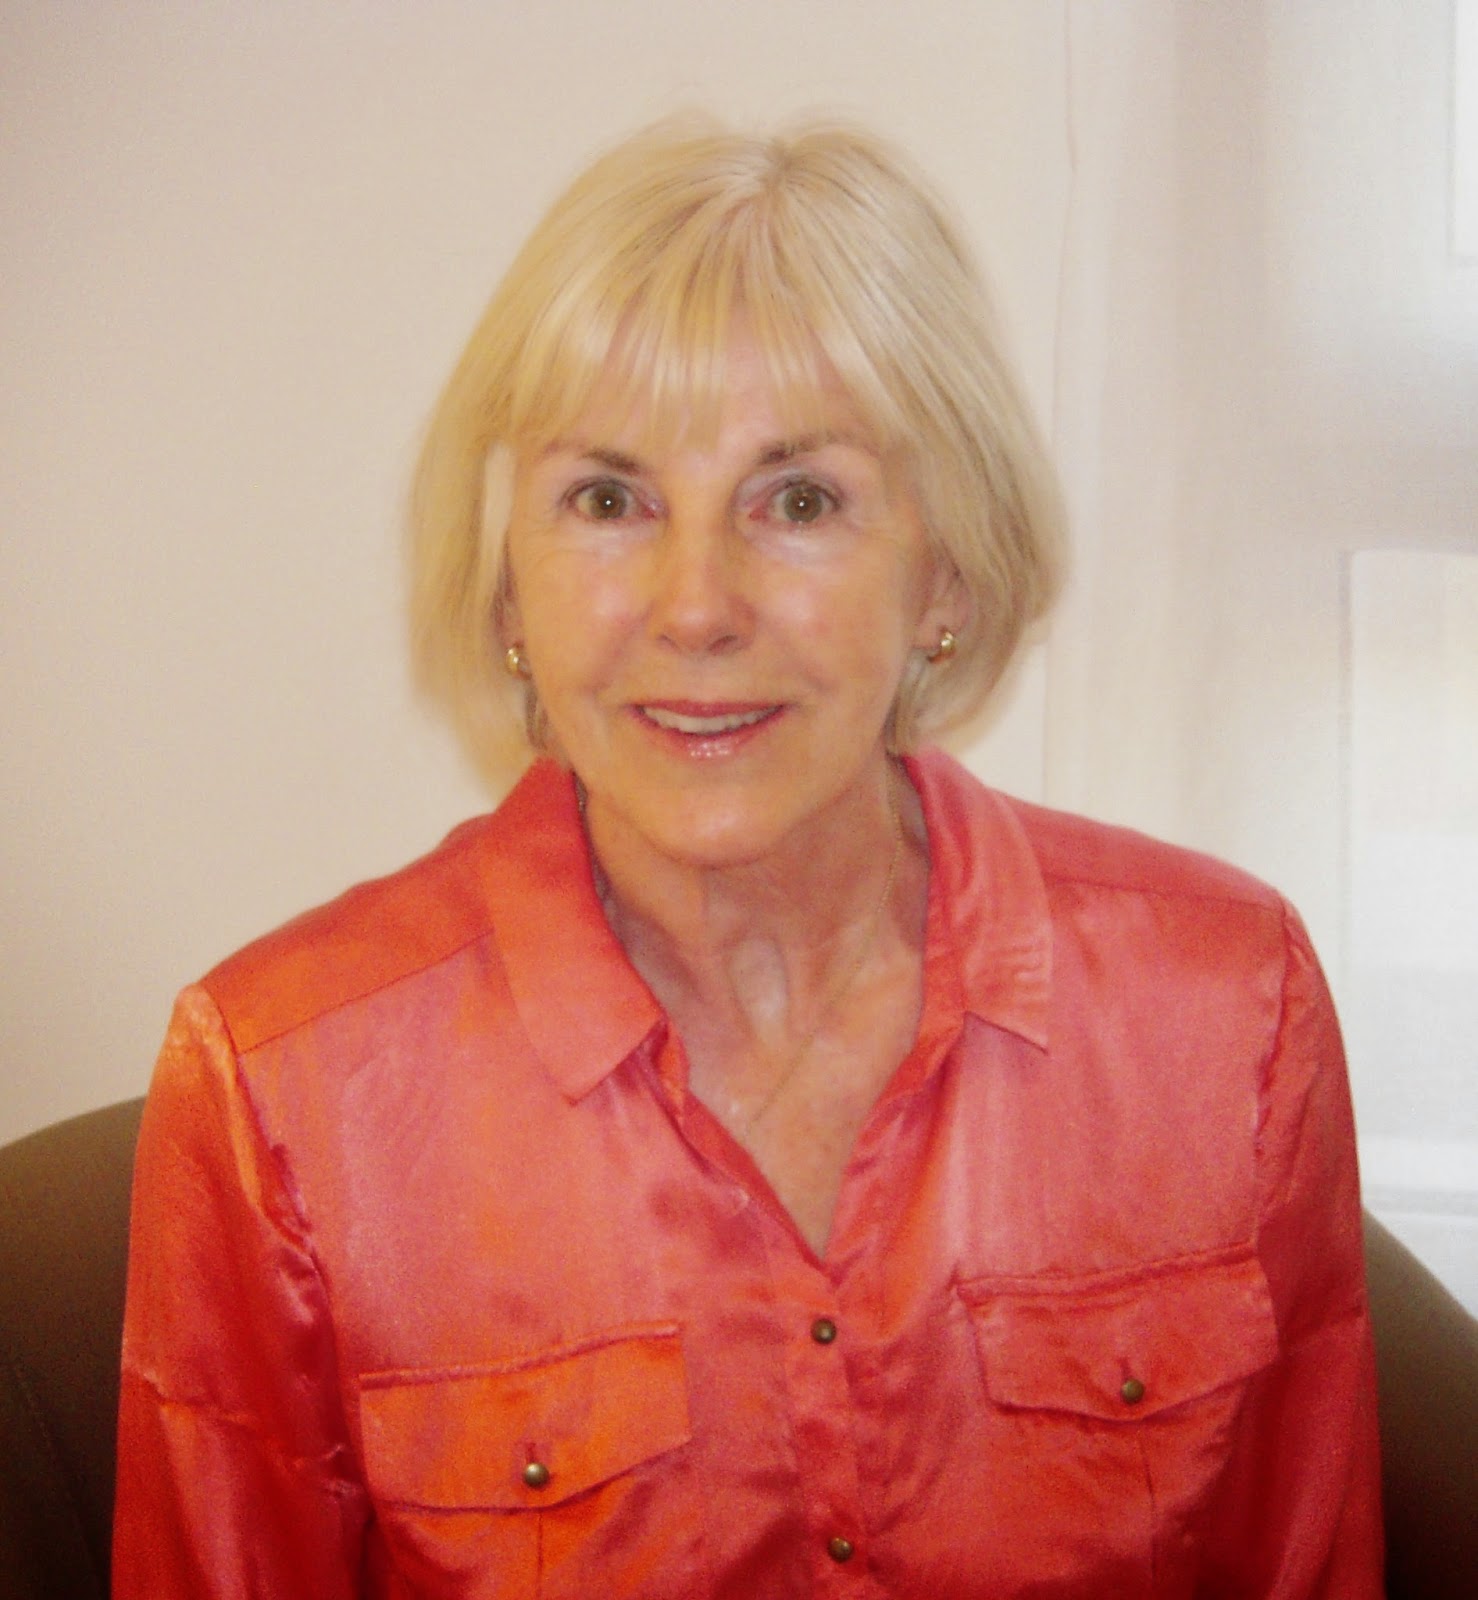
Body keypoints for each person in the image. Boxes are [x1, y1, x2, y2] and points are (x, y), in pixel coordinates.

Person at [113, 116, 1383, 1597]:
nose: (698, 606)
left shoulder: (1227, 1010)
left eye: (799, 501)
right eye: (608, 500)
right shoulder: (280, 1089)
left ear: (946, 575)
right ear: (509, 588)